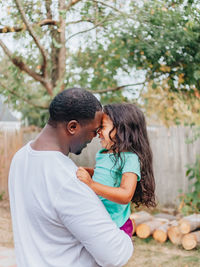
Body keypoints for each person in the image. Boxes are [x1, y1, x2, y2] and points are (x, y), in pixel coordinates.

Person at [8, 88, 133, 267]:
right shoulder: (68, 180)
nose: (95, 137)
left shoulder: (20, 158)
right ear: (72, 127)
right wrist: (127, 230)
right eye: (94, 130)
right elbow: (114, 255)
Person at [77, 103, 156, 237]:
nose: (98, 132)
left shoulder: (130, 159)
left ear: (122, 130)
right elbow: (105, 176)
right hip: (99, 219)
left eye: (102, 127)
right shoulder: (103, 153)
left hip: (116, 226)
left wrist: (91, 184)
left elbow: (125, 195)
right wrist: (89, 172)